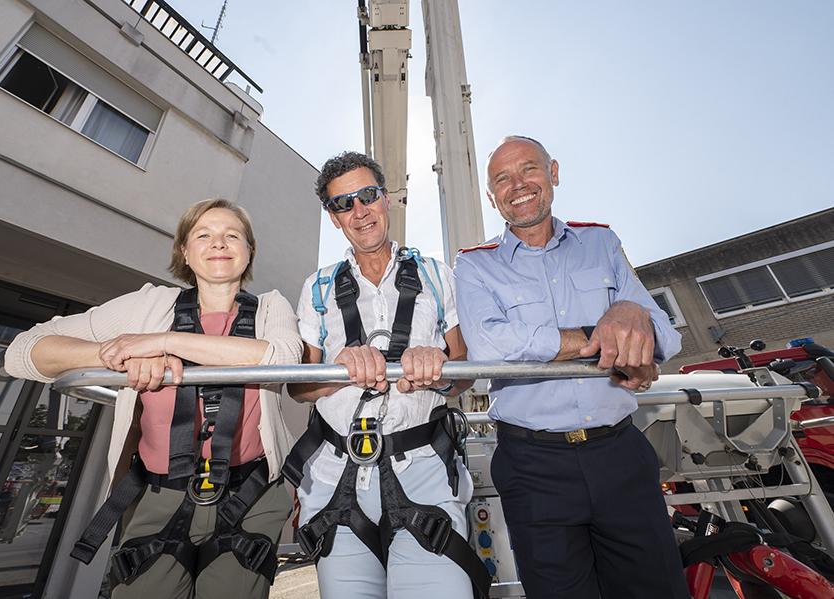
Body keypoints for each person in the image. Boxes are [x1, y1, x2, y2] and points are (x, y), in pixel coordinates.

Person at [5, 199, 302, 599]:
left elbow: (282, 357)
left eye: (233, 235)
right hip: (157, 494)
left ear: (249, 251)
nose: (219, 243)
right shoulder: (147, 306)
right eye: (204, 234)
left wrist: (164, 342)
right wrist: (123, 353)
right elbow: (23, 351)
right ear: (183, 250)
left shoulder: (271, 307)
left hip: (249, 495)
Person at [454, 136, 689, 599]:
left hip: (620, 452)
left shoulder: (601, 242)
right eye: (502, 178)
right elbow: (487, 345)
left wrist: (634, 315)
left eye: (530, 169)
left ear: (554, 172)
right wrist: (602, 335)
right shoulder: (474, 266)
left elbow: (668, 334)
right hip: (532, 466)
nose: (518, 185)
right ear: (491, 195)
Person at [283, 151, 490, 599]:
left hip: (423, 471)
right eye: (344, 204)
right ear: (335, 218)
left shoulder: (437, 275)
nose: (359, 211)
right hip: (337, 477)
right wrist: (341, 373)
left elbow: (463, 371)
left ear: (387, 200)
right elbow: (298, 386)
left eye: (368, 195)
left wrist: (437, 372)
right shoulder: (317, 287)